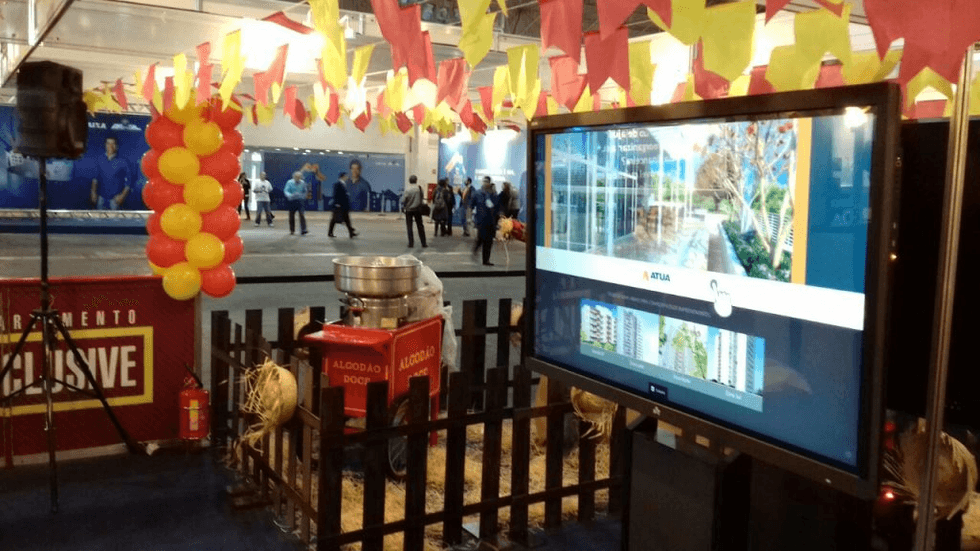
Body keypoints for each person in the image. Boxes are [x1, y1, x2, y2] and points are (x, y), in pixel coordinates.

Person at [90, 135, 132, 210]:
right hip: (101, 198)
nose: (110, 146)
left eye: (113, 144)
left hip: (115, 200)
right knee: (100, 217)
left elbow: (129, 182)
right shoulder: (99, 160)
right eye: (108, 143)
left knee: (115, 218)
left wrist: (122, 196)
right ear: (105, 145)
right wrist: (93, 193)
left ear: (117, 146)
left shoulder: (123, 162)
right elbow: (95, 179)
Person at [471, 176, 500, 266]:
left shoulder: (493, 194)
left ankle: (486, 260)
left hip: (491, 221)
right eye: (484, 181)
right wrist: (470, 218)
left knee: (489, 241)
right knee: (481, 238)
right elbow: (471, 205)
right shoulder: (478, 193)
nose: (485, 183)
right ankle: (476, 249)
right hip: (481, 221)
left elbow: (497, 207)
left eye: (487, 182)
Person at [400, 175, 428, 248]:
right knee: (420, 226)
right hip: (417, 210)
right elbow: (422, 198)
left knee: (409, 227)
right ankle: (423, 243)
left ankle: (411, 243)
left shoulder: (407, 190)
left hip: (409, 210)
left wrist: (404, 206)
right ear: (416, 180)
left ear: (409, 181)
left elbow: (403, 200)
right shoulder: (419, 189)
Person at [328, 171, 357, 238]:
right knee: (335, 219)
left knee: (346, 219)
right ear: (342, 176)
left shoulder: (344, 184)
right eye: (346, 176)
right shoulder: (337, 184)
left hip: (344, 205)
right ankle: (330, 232)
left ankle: (351, 232)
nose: (347, 177)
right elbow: (335, 194)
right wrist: (337, 203)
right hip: (340, 205)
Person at [284, 171, 309, 235]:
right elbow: (286, 190)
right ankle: (292, 230)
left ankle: (303, 229)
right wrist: (290, 196)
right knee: (291, 215)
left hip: (300, 201)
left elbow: (305, 191)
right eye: (296, 177)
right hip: (292, 200)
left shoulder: (303, 183)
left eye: (299, 177)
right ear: (294, 177)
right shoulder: (289, 182)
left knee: (302, 214)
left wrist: (303, 196)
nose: (298, 178)